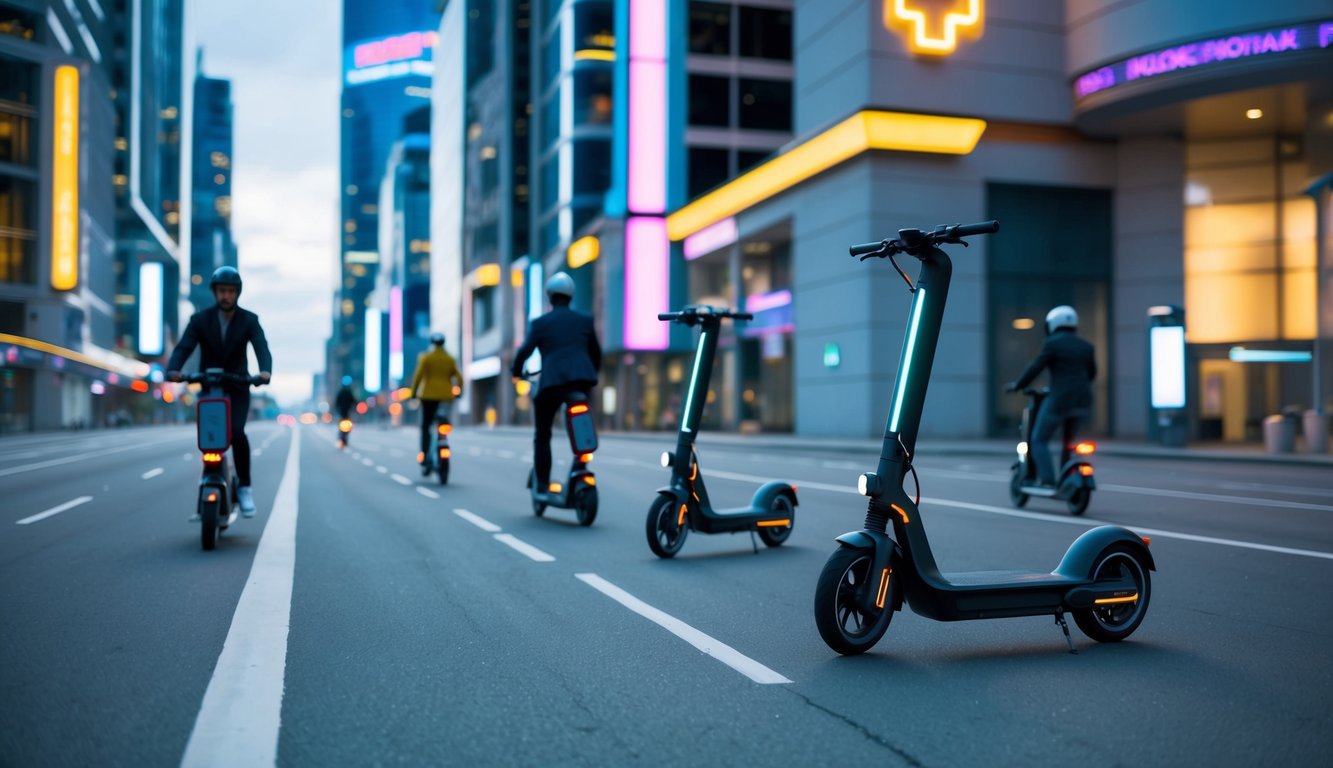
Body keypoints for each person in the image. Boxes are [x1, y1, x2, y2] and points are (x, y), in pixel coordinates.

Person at [167, 266, 272, 517]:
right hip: (209, 387)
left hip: (237, 388)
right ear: (215, 292)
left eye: (231, 291)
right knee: (209, 438)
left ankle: (244, 488)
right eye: (222, 291)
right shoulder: (199, 320)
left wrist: (265, 371)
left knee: (236, 432)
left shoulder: (249, 320)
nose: (226, 295)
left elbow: (262, 348)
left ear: (237, 293)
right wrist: (174, 369)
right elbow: (183, 347)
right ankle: (207, 482)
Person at [510, 272, 602, 501]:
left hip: (551, 383)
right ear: (571, 296)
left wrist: (516, 372)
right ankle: (581, 467)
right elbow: (596, 353)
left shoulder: (541, 323)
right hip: (581, 382)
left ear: (549, 297)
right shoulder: (585, 320)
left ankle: (542, 484)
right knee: (582, 428)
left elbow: (524, 351)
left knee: (543, 434)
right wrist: (591, 375)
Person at [1006, 305, 1096, 488]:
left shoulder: (1052, 343)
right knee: (1069, 442)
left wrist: (1018, 385)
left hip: (1060, 399)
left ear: (1052, 324)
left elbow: (1036, 367)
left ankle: (1048, 481)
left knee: (1038, 440)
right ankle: (1067, 477)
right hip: (1083, 400)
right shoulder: (1086, 346)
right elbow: (1092, 373)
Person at [410, 333, 463, 473]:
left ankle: (425, 455)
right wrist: (459, 392)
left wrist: (413, 393)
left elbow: (418, 376)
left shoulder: (426, 357)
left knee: (426, 426)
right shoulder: (450, 359)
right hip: (446, 397)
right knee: (443, 422)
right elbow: (459, 377)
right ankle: (443, 437)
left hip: (428, 397)